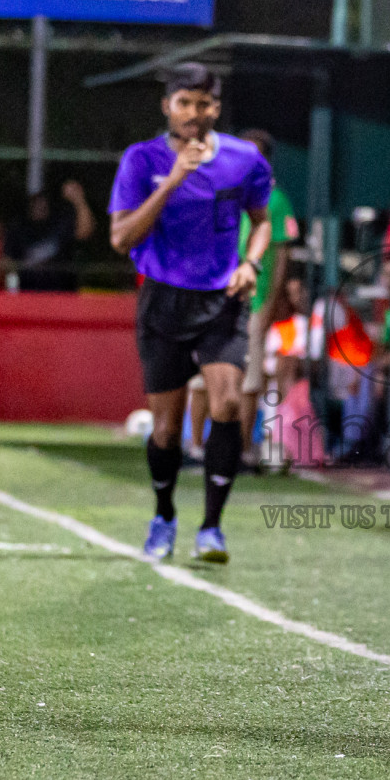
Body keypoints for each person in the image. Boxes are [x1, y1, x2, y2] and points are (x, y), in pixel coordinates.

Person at [109, 62, 273, 564]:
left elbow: (262, 221)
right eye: (184, 103)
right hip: (163, 301)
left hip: (222, 301)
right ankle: (164, 515)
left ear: (215, 109)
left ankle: (212, 528)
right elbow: (121, 238)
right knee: (165, 430)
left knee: (225, 405)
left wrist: (251, 262)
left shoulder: (245, 160)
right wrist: (173, 180)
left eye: (204, 104)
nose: (194, 114)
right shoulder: (141, 160)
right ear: (168, 107)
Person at [235, 128, 298, 466]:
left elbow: (282, 255)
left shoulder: (276, 199)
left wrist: (272, 298)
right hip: (219, 299)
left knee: (249, 378)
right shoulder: (226, 193)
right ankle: (204, 448)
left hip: (254, 301)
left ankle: (244, 449)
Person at [5, 180, 95, 292]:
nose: (40, 206)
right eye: (35, 202)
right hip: (28, 296)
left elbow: (84, 232)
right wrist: (11, 291)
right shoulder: (18, 229)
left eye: (43, 202)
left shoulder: (59, 224)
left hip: (62, 295)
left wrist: (79, 200)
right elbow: (8, 263)